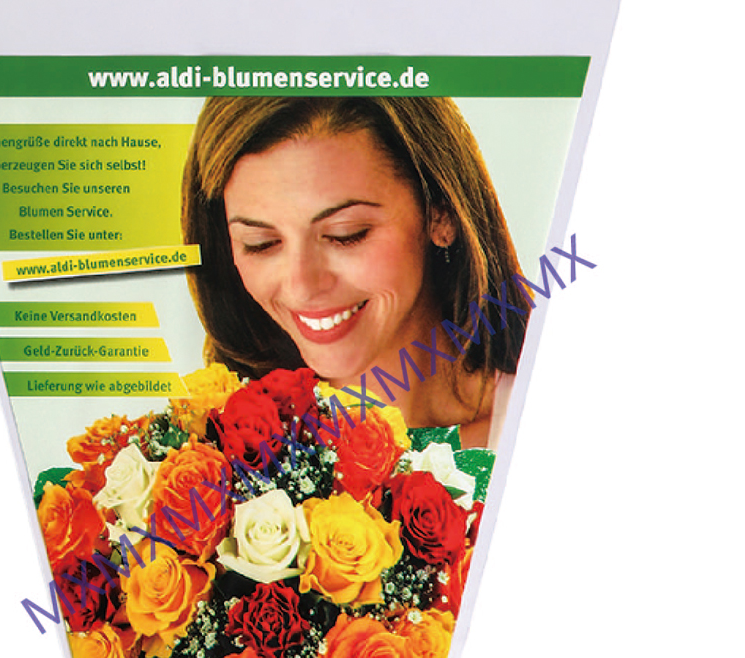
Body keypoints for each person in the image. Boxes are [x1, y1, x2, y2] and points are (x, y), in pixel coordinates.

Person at [181, 96, 531, 449]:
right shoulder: (208, 451)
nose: (302, 287)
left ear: (441, 214)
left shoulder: (543, 422)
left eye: (346, 235)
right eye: (262, 244)